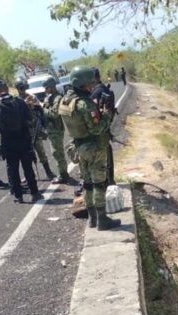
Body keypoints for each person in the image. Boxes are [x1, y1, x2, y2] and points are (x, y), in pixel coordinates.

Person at [59, 66, 121, 230]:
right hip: (94, 147)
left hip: (79, 146)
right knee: (98, 183)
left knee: (86, 183)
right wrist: (106, 115)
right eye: (88, 85)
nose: (91, 87)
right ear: (80, 84)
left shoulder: (65, 102)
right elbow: (96, 128)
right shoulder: (84, 104)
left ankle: (92, 219)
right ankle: (102, 219)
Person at [0, 79, 40, 204]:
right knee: (28, 167)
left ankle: (18, 196)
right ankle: (34, 193)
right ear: (7, 88)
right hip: (23, 139)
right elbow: (29, 119)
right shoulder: (19, 102)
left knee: (12, 169)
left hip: (7, 142)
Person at [41, 76, 72, 184]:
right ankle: (63, 174)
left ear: (52, 87)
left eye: (47, 88)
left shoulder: (57, 98)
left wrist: (42, 108)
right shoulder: (50, 97)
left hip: (56, 129)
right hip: (51, 129)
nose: (45, 90)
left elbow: (54, 114)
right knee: (56, 153)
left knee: (57, 153)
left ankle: (63, 175)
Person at [91, 71, 118, 185]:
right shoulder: (104, 89)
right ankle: (110, 180)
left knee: (101, 159)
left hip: (99, 129)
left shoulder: (96, 92)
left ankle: (105, 182)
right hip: (105, 127)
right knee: (107, 154)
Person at [25, 94, 57, 181]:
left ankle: (48, 172)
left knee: (42, 153)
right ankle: (29, 175)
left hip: (36, 135)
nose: (31, 104)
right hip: (27, 137)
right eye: (29, 103)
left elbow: (43, 119)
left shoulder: (37, 110)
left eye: (32, 102)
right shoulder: (24, 111)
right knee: (28, 157)